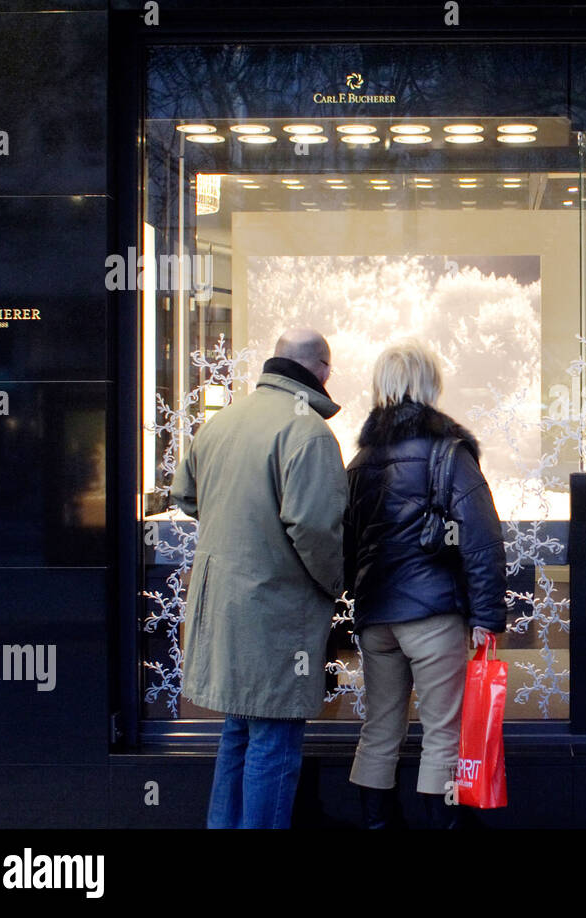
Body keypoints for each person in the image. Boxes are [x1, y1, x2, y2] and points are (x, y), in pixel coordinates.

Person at [170, 327, 347, 829]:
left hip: (222, 603)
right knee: (274, 741)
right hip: (275, 613)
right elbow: (314, 529)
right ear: (322, 372)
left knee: (237, 734)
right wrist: (337, 583)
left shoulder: (222, 423)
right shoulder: (307, 432)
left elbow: (185, 495)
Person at [344, 340, 507, 829]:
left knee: (379, 731)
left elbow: (345, 545)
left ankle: (378, 825)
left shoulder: (359, 465)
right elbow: (481, 539)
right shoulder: (448, 453)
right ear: (429, 384)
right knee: (443, 733)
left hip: (377, 619)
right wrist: (486, 616)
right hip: (433, 616)